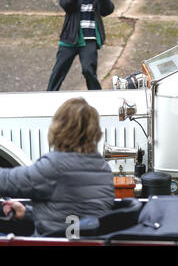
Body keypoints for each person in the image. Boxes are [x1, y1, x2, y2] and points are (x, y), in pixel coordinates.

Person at [0, 98, 115, 236]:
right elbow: (72, 223)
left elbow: (5, 181)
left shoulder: (55, 167)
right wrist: (27, 214)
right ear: (94, 132)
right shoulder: (104, 169)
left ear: (59, 127)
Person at [47, 0, 115, 91]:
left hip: (89, 39)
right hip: (70, 39)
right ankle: (49, 94)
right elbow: (66, 4)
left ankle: (96, 96)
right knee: (59, 70)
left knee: (89, 70)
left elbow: (108, 10)